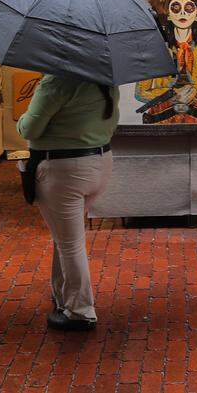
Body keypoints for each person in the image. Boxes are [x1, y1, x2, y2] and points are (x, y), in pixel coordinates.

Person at [17, 74, 119, 331]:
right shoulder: (106, 79)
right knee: (65, 236)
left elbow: (29, 129)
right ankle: (64, 294)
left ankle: (80, 310)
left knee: (70, 243)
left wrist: (24, 118)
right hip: (99, 162)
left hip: (63, 170)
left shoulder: (58, 81)